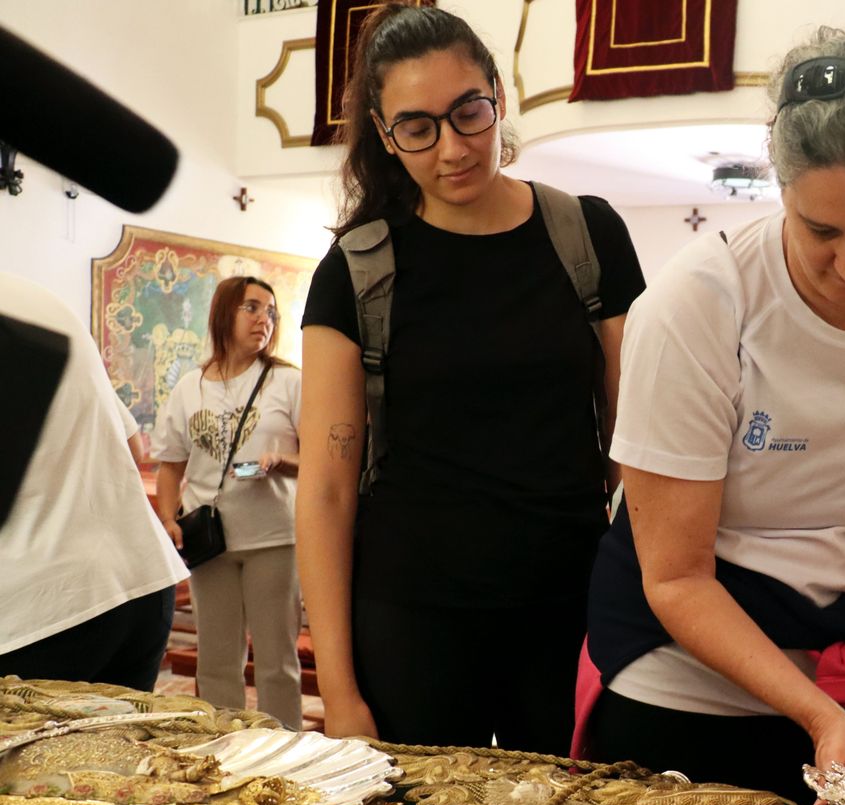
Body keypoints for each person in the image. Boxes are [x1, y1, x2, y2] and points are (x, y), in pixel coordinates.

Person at [583, 28, 845, 805]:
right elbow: (676, 575)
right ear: (778, 175)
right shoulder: (701, 305)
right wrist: (815, 713)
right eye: (820, 228)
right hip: (675, 680)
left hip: (832, 669)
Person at [298, 3, 644, 750]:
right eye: (418, 128)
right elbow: (326, 490)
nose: (453, 147)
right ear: (386, 137)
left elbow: (640, 433)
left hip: (567, 608)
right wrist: (338, 690)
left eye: (468, 112)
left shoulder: (588, 236)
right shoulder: (356, 272)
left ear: (498, 94)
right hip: (411, 618)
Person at [0, 272, 187, 691]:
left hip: (37, 612)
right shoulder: (41, 297)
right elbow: (133, 446)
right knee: (114, 755)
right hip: (138, 586)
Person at [153, 276, 304, 728]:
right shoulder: (189, 387)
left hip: (274, 539)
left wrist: (284, 460)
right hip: (209, 543)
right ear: (224, 314)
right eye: (253, 308)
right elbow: (170, 465)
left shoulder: (287, 382)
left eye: (272, 312)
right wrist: (167, 518)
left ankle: (284, 753)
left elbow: (323, 456)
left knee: (278, 662)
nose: (265, 320)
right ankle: (225, 750)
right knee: (217, 662)